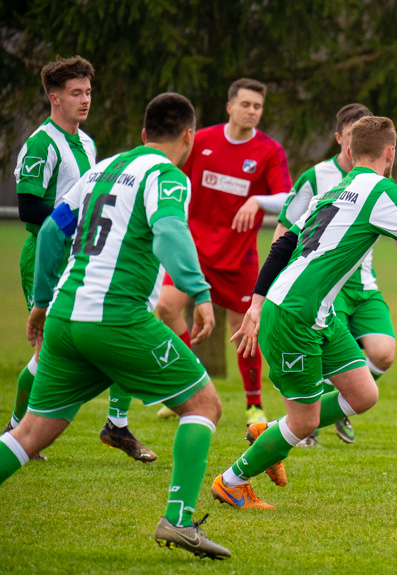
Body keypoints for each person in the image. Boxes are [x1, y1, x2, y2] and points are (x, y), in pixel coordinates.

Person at [209, 115, 397, 509]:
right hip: (294, 314)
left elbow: (282, 247)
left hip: (314, 312)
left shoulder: (335, 189)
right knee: (306, 421)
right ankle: (232, 481)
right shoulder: (382, 191)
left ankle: (271, 434)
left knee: (363, 394)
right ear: (390, 153)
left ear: (349, 151)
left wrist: (256, 301)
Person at [0, 93, 230, 559]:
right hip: (115, 317)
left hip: (65, 316)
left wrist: (42, 302)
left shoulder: (100, 169)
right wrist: (198, 291)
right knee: (203, 404)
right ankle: (179, 520)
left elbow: (49, 231)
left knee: (27, 435)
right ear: (189, 136)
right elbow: (168, 232)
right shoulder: (167, 176)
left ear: (143, 134)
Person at [9, 55, 155, 463]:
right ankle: (15, 427)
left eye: (88, 92)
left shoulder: (87, 142)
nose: (85, 100)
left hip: (81, 258)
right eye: (76, 93)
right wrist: (75, 225)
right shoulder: (41, 143)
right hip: (46, 256)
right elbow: (27, 208)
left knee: (120, 327)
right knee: (48, 353)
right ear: (54, 98)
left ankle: (117, 424)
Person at [271, 103, 397, 447]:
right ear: (342, 140)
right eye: (353, 135)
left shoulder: (382, 180)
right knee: (317, 358)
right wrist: (276, 277)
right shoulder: (317, 178)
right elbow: (286, 229)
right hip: (322, 287)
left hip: (362, 284)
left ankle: (335, 407)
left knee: (384, 353)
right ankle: (306, 422)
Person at [155, 78, 292, 426]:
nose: (252, 111)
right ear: (230, 107)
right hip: (193, 250)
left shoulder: (268, 151)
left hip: (238, 257)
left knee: (244, 326)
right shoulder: (201, 141)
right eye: (246, 104)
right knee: (166, 308)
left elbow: (288, 198)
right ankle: (188, 388)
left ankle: (254, 404)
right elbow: (170, 174)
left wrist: (257, 199)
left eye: (258, 106)